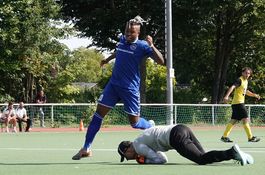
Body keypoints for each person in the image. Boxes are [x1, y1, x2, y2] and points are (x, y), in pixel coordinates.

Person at [72, 16, 164, 160]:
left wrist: (152, 45)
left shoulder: (142, 46)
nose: (127, 35)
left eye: (131, 33)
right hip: (113, 86)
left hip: (130, 89)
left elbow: (161, 61)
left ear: (137, 33)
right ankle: (86, 148)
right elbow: (119, 51)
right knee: (98, 115)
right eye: (126, 32)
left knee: (135, 123)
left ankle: (150, 125)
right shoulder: (122, 40)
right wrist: (107, 59)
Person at [118, 124, 254, 166]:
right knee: (205, 156)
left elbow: (160, 160)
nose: (129, 159)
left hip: (175, 137)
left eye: (126, 156)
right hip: (181, 128)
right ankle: (241, 156)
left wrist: (145, 161)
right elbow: (163, 158)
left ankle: (232, 153)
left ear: (127, 149)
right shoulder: (140, 140)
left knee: (201, 159)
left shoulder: (138, 146)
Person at [221, 67, 261, 143]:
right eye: (246, 73)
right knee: (245, 119)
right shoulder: (239, 80)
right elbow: (232, 87)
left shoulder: (246, 81)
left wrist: (254, 95)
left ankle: (224, 136)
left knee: (233, 120)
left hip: (236, 104)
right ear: (242, 73)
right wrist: (226, 96)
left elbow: (246, 92)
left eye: (249, 73)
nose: (247, 74)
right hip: (238, 103)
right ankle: (250, 137)